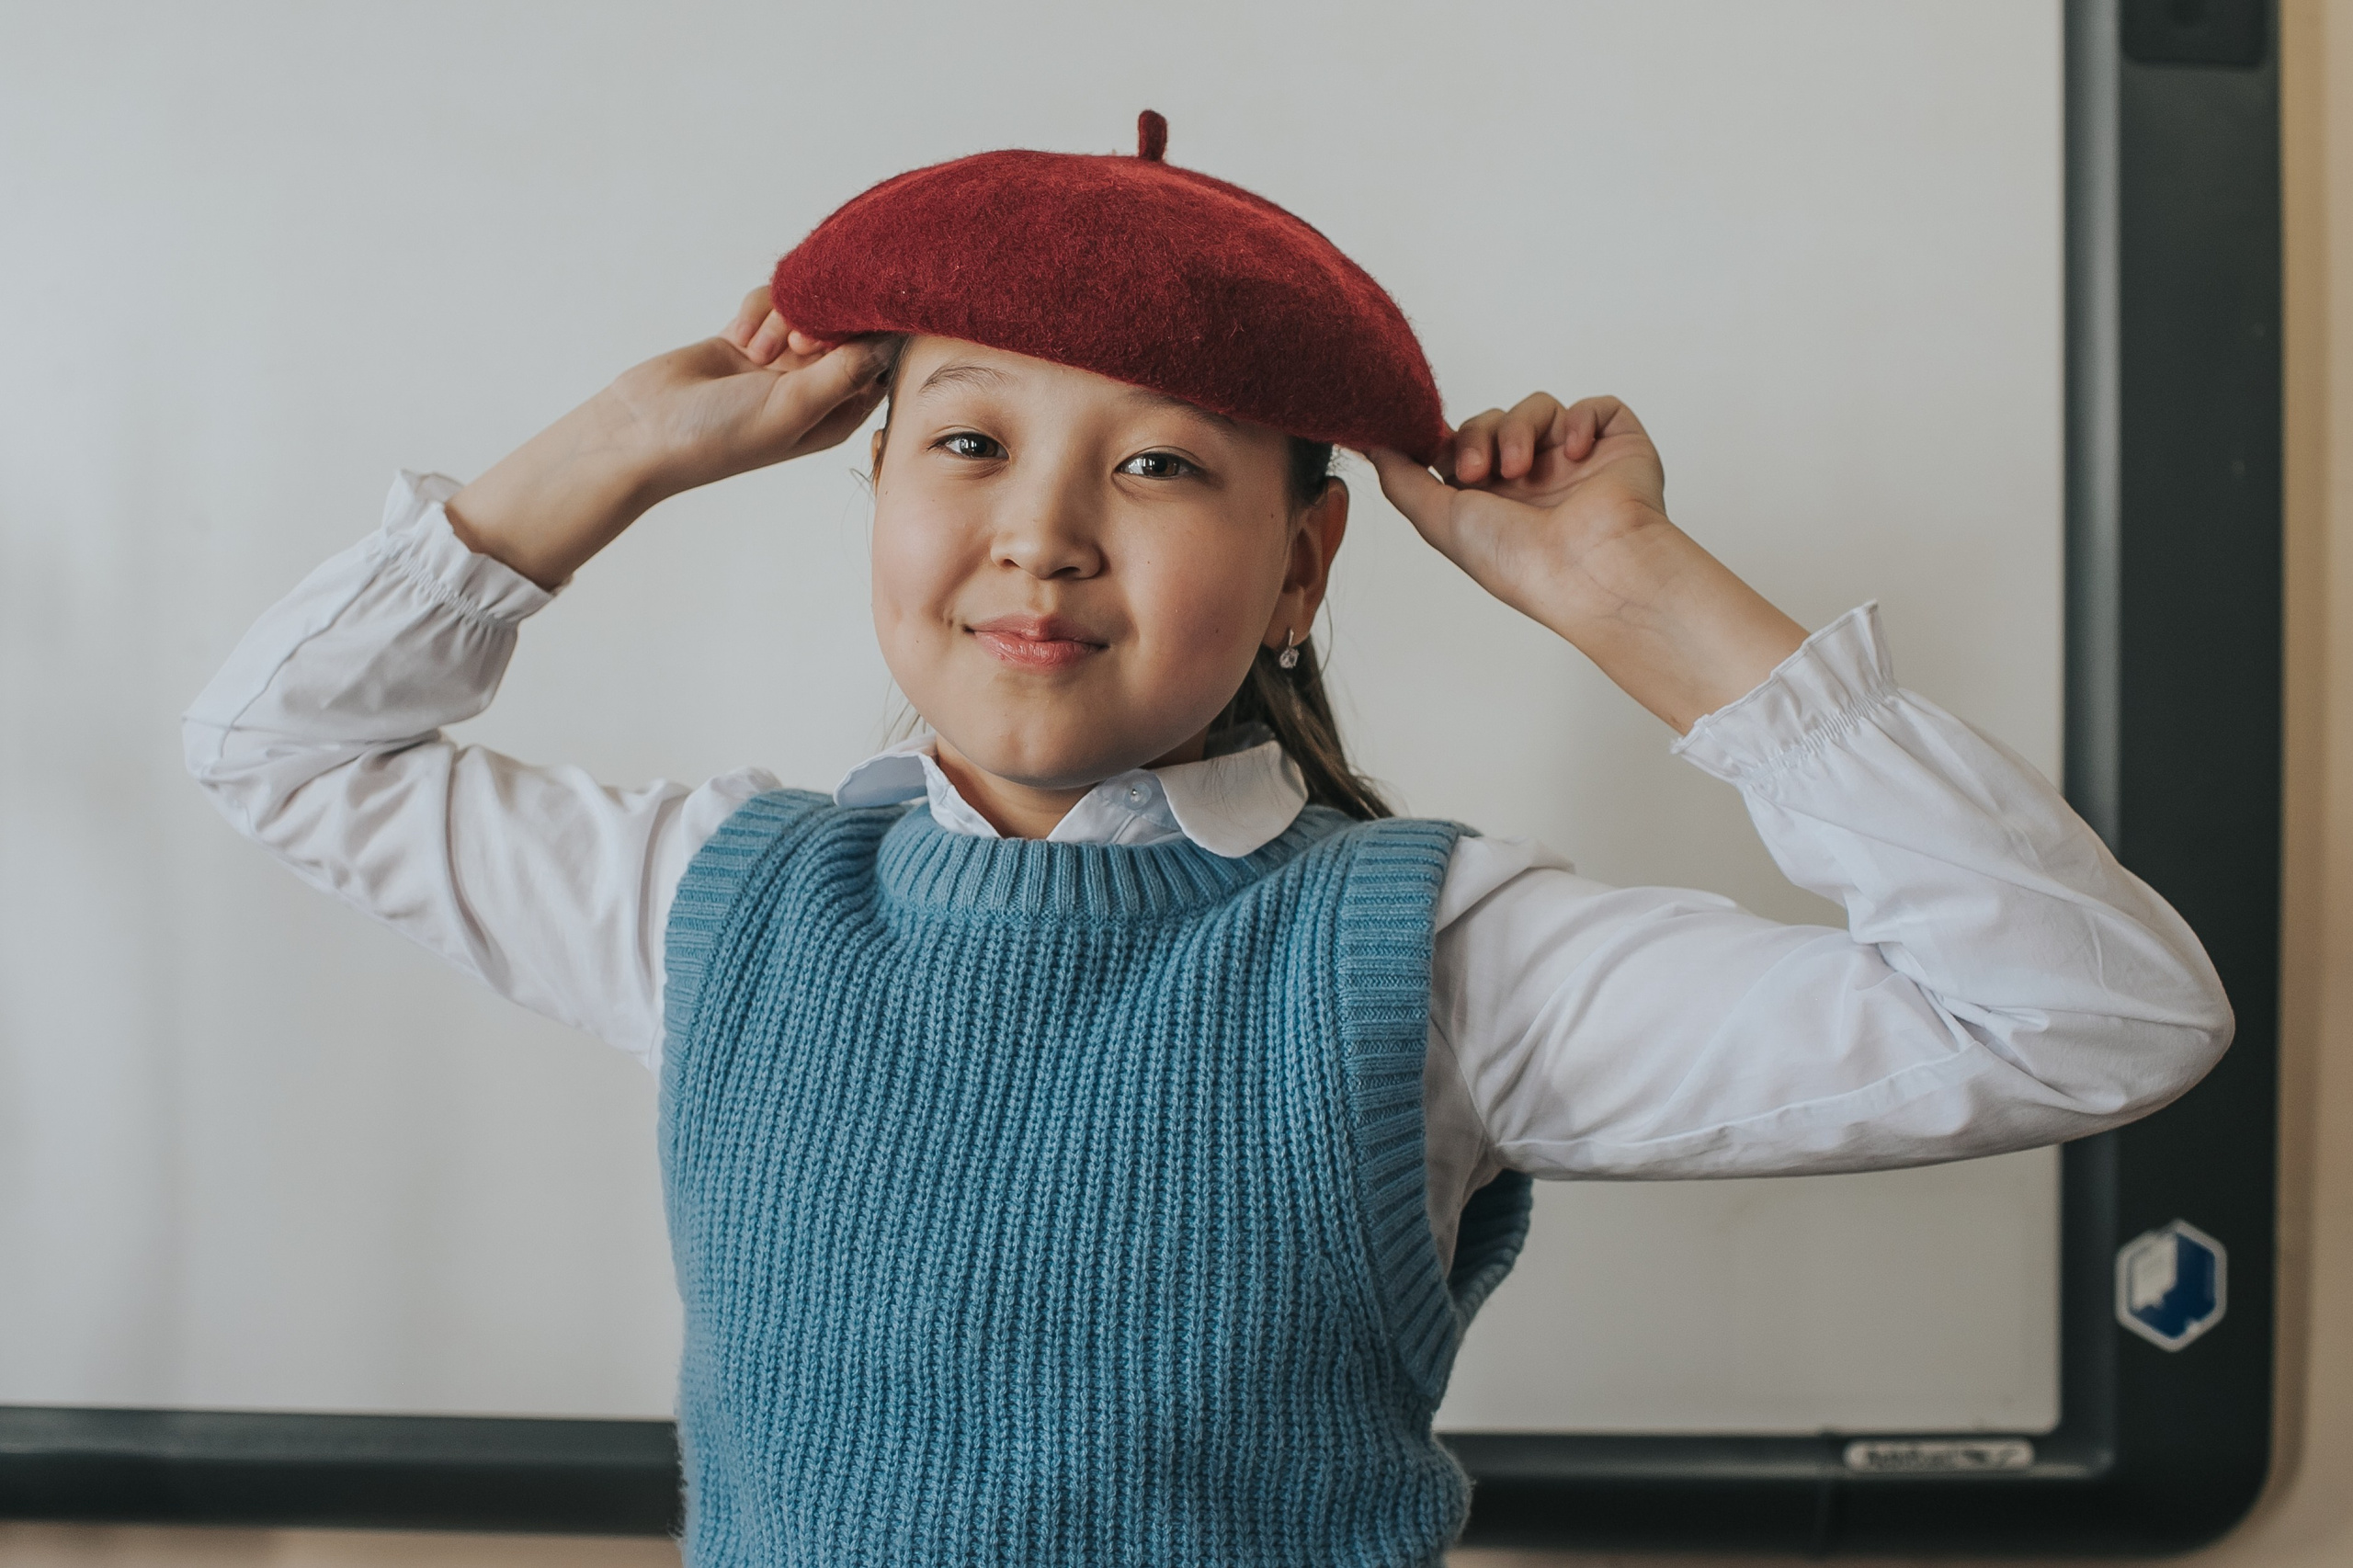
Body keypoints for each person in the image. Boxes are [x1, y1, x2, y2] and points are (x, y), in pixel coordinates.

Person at [184, 114, 2231, 1566]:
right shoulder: (718, 905)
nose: (1042, 533)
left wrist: (1631, 597)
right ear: (867, 484)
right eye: (966, 441)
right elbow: (280, 747)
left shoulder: (1429, 960)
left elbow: (2091, 1019)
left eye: (1159, 465)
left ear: (1301, 564)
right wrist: (628, 445)